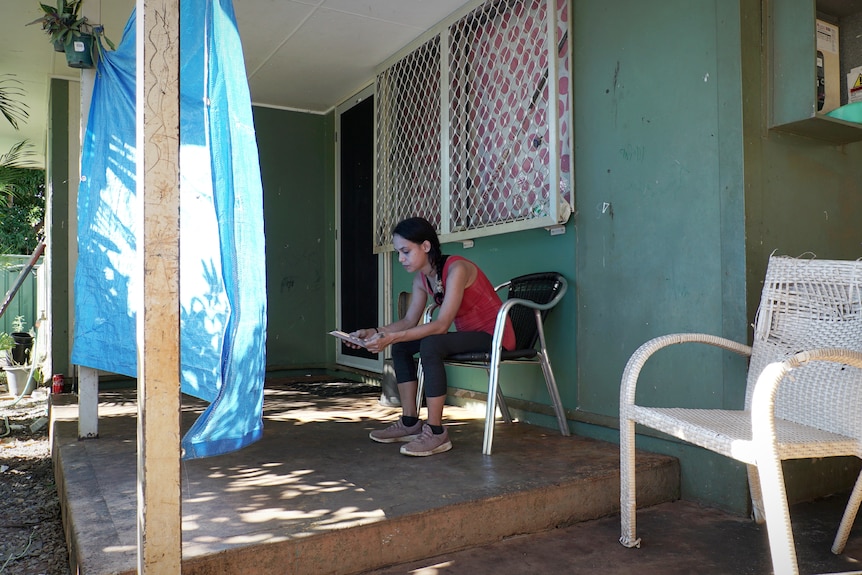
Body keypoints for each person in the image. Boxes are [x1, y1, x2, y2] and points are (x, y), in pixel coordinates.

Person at [349, 216, 515, 456]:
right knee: (402, 348)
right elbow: (408, 321)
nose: (401, 258)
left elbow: (441, 324)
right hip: (468, 335)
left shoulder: (457, 268)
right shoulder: (421, 279)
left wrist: (392, 336)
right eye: (398, 252)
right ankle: (409, 423)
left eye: (405, 251)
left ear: (425, 246)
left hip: (495, 336)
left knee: (430, 344)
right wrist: (376, 332)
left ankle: (436, 432)